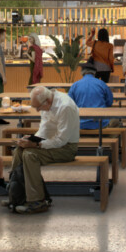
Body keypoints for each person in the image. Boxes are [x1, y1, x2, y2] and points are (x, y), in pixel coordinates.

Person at [11, 86, 81, 214]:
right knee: (18, 151)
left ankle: (37, 201)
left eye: (38, 107)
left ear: (47, 101)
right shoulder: (47, 102)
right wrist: (33, 139)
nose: (37, 110)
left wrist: (36, 145)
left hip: (67, 148)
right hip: (52, 143)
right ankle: (16, 197)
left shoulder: (65, 107)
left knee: (30, 155)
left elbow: (61, 140)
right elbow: (44, 129)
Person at [69, 63, 114, 129]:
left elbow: (69, 104)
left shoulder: (75, 85)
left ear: (82, 72)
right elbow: (110, 102)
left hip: (80, 123)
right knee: (116, 121)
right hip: (101, 123)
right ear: (94, 73)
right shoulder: (102, 84)